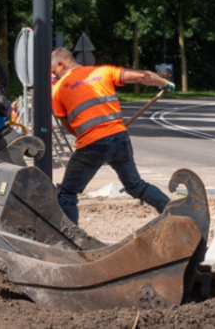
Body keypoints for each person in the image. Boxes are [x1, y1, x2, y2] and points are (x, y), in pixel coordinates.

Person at [49, 47, 173, 224]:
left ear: (60, 64)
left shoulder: (59, 89)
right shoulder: (103, 71)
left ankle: (70, 240)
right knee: (135, 185)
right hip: (120, 138)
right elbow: (142, 76)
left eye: (54, 73)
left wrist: (90, 135)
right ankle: (175, 213)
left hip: (92, 144)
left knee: (67, 192)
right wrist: (164, 83)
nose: (55, 77)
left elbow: (68, 126)